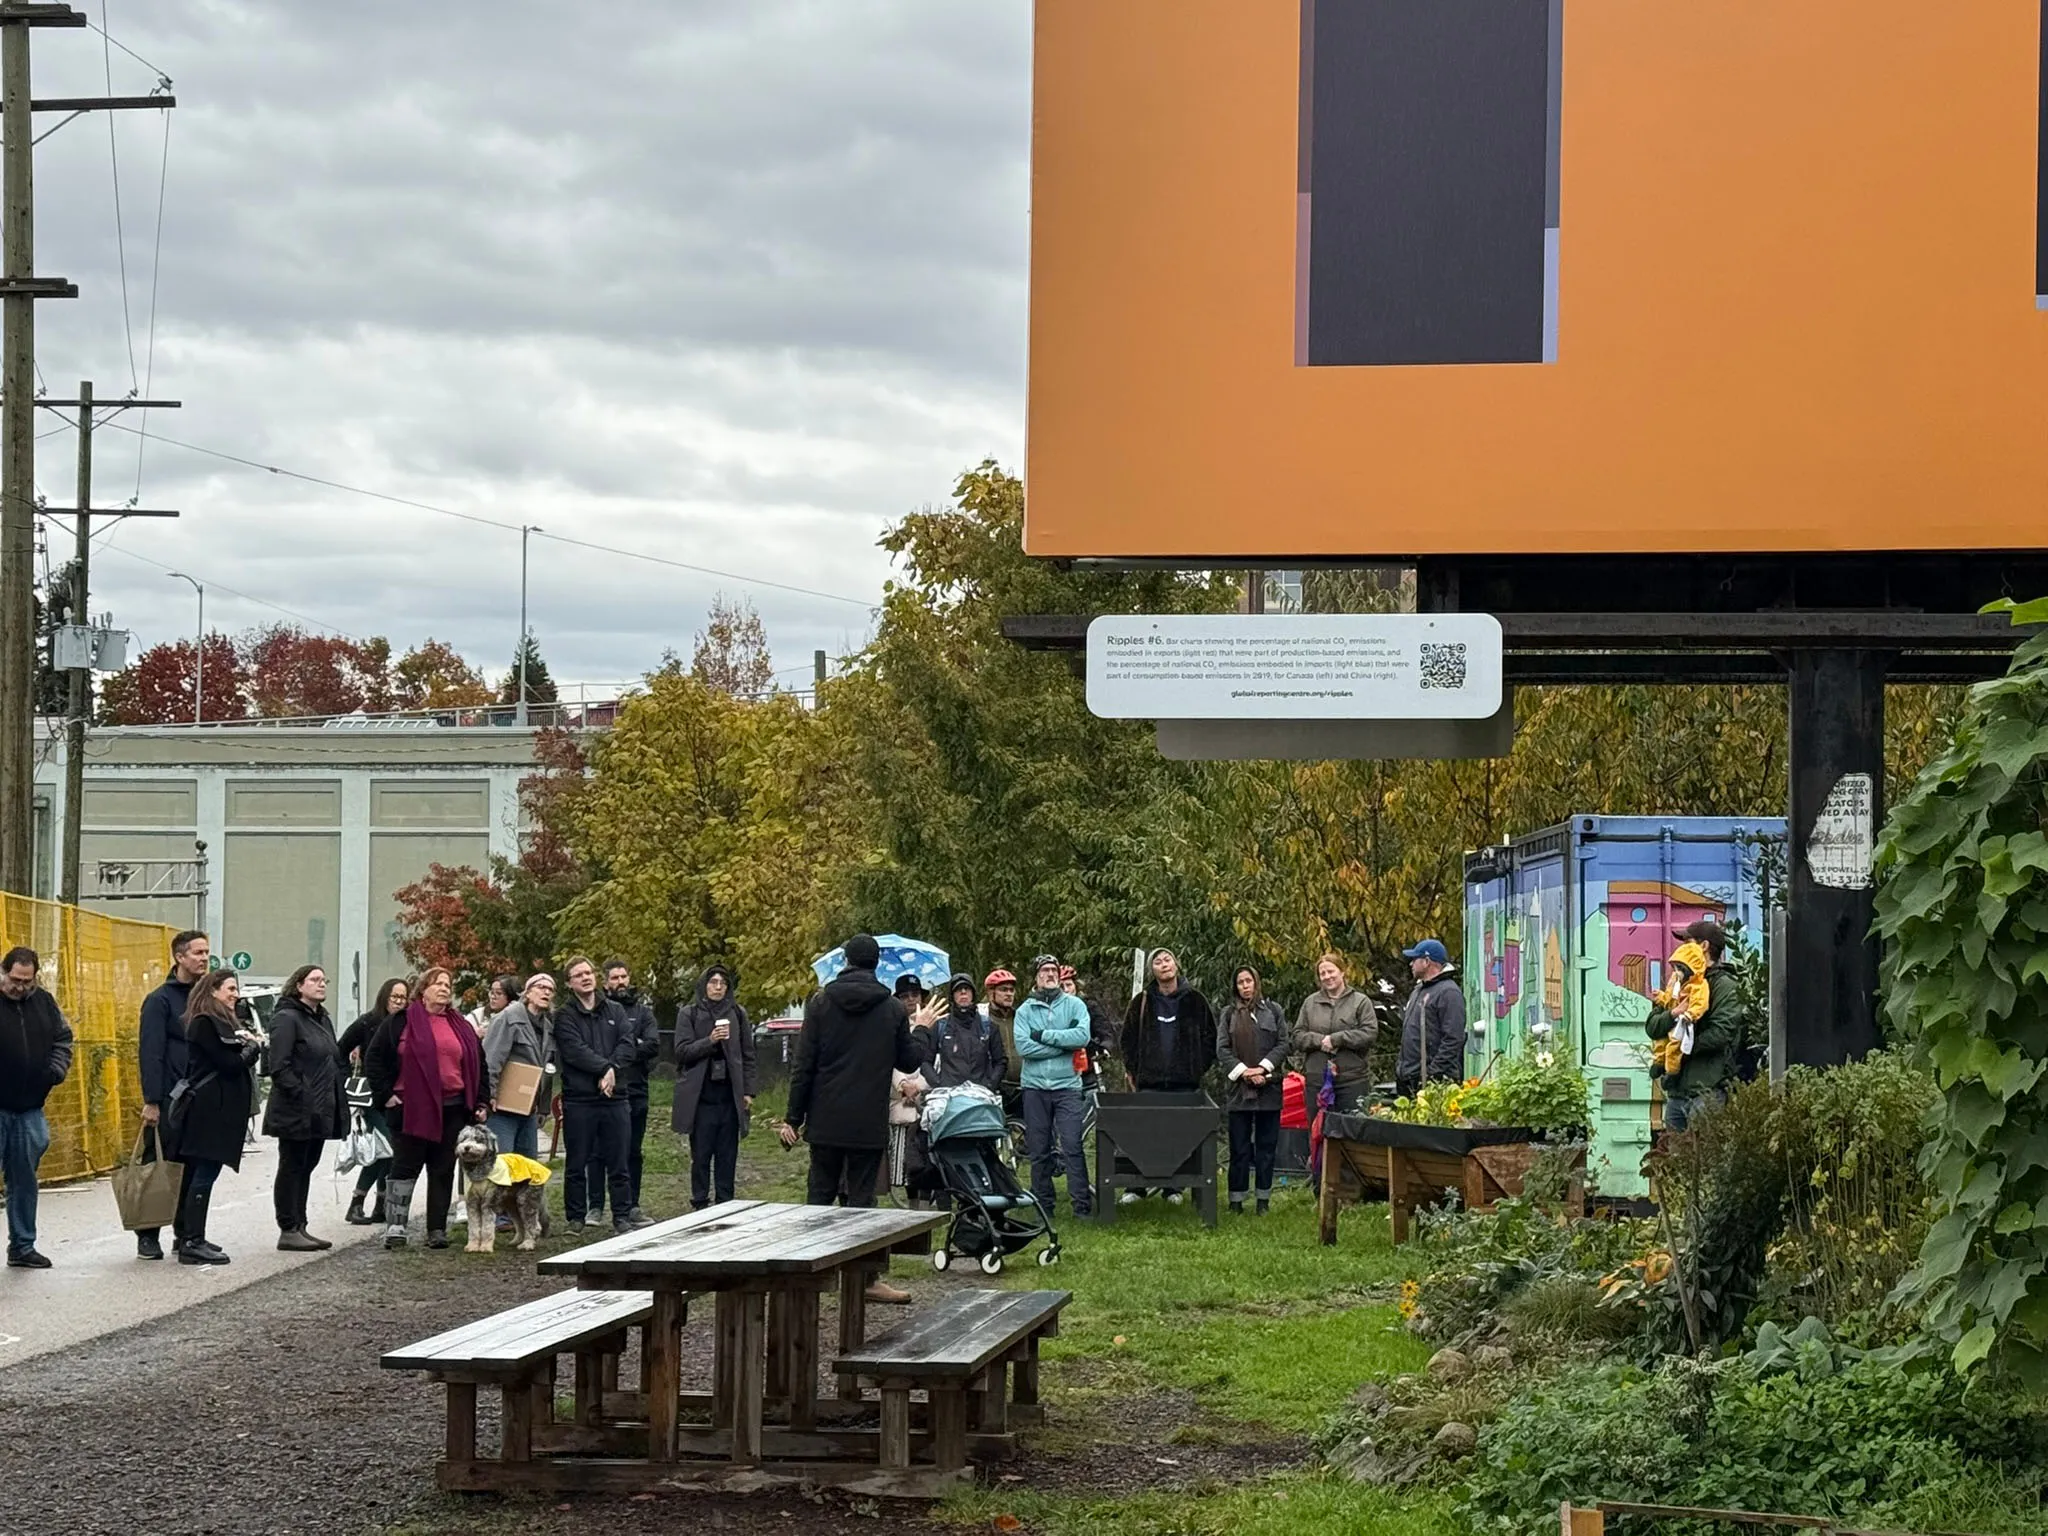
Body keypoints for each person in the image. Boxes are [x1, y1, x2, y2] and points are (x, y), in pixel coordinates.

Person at [780, 934, 923, 1304]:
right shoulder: (892, 1010)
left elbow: (804, 1065)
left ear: (846, 961)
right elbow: (909, 1062)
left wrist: (793, 1118)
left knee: (819, 1193)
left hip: (825, 1118)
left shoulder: (821, 1002)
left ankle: (807, 1274)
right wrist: (919, 1026)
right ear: (877, 964)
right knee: (862, 1202)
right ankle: (865, 1281)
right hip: (867, 1121)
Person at [381, 966, 488, 1251]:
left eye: (447, 983)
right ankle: (396, 1226)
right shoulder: (401, 1022)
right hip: (411, 1108)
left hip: (453, 1108)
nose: (444, 987)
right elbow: (375, 1060)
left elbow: (480, 1065)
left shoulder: (461, 1026)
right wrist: (386, 1096)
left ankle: (437, 1229)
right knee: (405, 1167)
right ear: (423, 990)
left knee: (443, 1169)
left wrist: (481, 1101)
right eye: (437, 983)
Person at [166, 969, 263, 1266]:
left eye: (236, 989)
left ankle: (187, 1234)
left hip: (214, 1109)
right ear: (212, 991)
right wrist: (252, 1048)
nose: (235, 994)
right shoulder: (204, 1023)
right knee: (203, 1172)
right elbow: (229, 1064)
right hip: (208, 1111)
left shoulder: (220, 1023)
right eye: (230, 989)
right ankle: (192, 1241)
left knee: (198, 1172)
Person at [556, 956, 648, 1235]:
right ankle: (576, 1217)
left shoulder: (616, 1010)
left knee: (619, 1160)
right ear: (569, 983)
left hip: (616, 1097)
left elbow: (627, 1044)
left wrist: (614, 1069)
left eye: (588, 972)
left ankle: (621, 1216)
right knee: (577, 1161)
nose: (586, 978)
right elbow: (574, 1050)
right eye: (578, 975)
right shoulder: (564, 1015)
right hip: (580, 1099)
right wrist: (605, 1067)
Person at [1119, 949, 1217, 1205]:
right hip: (1149, 1083)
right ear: (1153, 970)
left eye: (1167, 960)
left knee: (1180, 1137)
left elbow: (1210, 1038)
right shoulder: (1141, 1001)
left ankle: (1174, 1188)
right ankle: (1136, 1187)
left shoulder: (1196, 1000)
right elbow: (1127, 1039)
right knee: (1143, 1135)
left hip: (1185, 1084)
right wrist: (1134, 1071)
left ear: (1176, 965)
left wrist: (1196, 1068)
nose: (1164, 965)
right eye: (1158, 962)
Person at [134, 928, 208, 1260]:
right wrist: (152, 1100)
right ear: (179, 957)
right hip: (168, 1098)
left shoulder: (209, 997)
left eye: (206, 952)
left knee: (193, 1165)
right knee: (159, 1166)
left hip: (200, 1097)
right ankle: (147, 1234)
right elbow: (151, 1052)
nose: (204, 958)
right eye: (197, 953)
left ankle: (186, 1234)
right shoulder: (160, 1000)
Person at [262, 965, 348, 1253]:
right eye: (314, 980)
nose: (321, 984)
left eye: (324, 980)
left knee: (306, 1167)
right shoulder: (287, 1018)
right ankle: (287, 1227)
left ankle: (301, 1225)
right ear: (299, 985)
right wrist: (303, 1095)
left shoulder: (321, 1019)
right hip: (295, 1109)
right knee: (292, 1166)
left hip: (320, 1109)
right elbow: (279, 1066)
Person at [0, 948, 73, 1269]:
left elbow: (63, 1038)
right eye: (15, 980)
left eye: (27, 982)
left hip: (30, 1106)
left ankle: (23, 1245)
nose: (20, 987)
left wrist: (56, 1070)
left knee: (24, 1179)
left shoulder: (43, 1002)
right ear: (3, 972)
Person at [1013, 955, 1094, 1220]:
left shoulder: (1075, 1005)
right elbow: (1024, 1048)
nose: (1050, 974)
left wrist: (1044, 1036)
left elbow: (1082, 1037)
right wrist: (1062, 1043)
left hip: (1068, 1086)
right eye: (1045, 970)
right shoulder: (1025, 1010)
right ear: (1036, 977)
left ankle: (1082, 1206)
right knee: (1039, 1150)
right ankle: (1043, 1207)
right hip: (1034, 1088)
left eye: (1054, 970)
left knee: (1072, 1146)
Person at [1647, 920, 1746, 1132]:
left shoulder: (1725, 985)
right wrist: (1673, 1013)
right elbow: (1652, 1027)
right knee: (1676, 1160)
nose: (1681, 948)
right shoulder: (1676, 983)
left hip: (1707, 1091)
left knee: (1706, 1159)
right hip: (1676, 1093)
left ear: (1704, 947)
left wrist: (1680, 1046)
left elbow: (1722, 1033)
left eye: (1687, 941)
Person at [672, 964, 757, 1210]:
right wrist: (710, 1041)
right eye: (713, 982)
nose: (718, 987)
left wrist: (748, 1091)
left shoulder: (737, 1013)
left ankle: (725, 1203)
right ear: (704, 985)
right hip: (701, 1099)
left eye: (722, 983)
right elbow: (681, 1051)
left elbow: (748, 1055)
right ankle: (699, 1202)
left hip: (729, 1098)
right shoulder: (689, 1013)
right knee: (701, 1155)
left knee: (727, 1155)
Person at [1218, 965, 1287, 1216]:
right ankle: (1236, 1200)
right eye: (1240, 982)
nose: (1245, 986)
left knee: (1266, 1147)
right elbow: (1222, 1049)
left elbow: (1283, 1043)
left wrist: (1262, 1070)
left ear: (1256, 982)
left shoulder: (1274, 1011)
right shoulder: (1228, 1014)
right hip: (1239, 1091)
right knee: (1240, 1147)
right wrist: (1244, 1072)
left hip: (1269, 1088)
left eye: (1249, 981)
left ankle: (1263, 1200)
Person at [598, 961, 663, 1223]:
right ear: (606, 983)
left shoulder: (643, 1013)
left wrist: (621, 1052)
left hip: (636, 1090)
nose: (620, 982)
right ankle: (596, 1205)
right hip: (604, 1092)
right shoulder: (600, 1012)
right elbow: (598, 1048)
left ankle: (632, 1204)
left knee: (633, 1150)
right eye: (615, 978)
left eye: (624, 976)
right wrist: (628, 1048)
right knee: (602, 1152)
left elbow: (652, 1045)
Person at [340, 977, 409, 1225]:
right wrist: (346, 1079)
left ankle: (381, 1204)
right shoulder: (369, 1022)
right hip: (372, 1095)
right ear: (384, 997)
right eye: (395, 997)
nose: (399, 1002)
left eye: (403, 998)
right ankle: (357, 1202)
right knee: (387, 1147)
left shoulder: (407, 1024)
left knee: (390, 1152)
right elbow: (341, 1048)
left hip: (399, 1096)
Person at [1291, 953, 1380, 1114]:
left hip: (1352, 1080)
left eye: (1331, 971)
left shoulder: (1360, 1001)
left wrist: (1337, 1039)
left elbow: (1369, 1033)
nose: (1327, 977)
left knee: (1352, 1132)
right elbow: (1297, 1036)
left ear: (1342, 972)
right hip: (1317, 1080)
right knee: (1319, 1133)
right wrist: (1320, 1040)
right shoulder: (1310, 1003)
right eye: (1322, 973)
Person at [483, 973, 555, 1159]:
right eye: (541, 987)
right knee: (501, 1166)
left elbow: (547, 1069)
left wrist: (544, 1107)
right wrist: (488, 1096)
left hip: (529, 1110)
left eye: (550, 990)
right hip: (502, 1109)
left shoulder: (548, 1028)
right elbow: (490, 1060)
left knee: (526, 1170)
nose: (546, 992)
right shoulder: (507, 1018)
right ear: (528, 993)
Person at [1395, 939, 1468, 1099]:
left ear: (1427, 961)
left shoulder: (1449, 992)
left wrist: (1432, 1073)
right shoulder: (1418, 990)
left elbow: (1454, 1038)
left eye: (1415, 959)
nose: (1411, 964)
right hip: (1410, 1077)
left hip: (1434, 1082)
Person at [920, 974, 1007, 1092]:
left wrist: (990, 1085)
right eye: (958, 989)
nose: (963, 992)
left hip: (981, 1094)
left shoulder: (988, 1026)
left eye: (967, 988)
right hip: (948, 1094)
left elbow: (1001, 1061)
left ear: (973, 994)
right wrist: (938, 1083)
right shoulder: (940, 1026)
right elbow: (925, 1061)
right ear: (952, 996)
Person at [1061, 967, 1117, 1093]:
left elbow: (1104, 1029)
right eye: (1061, 986)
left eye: (1068, 985)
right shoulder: (1052, 1011)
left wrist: (1105, 1046)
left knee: (1094, 1097)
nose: (1065, 990)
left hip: (1088, 1064)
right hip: (1063, 1069)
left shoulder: (1089, 1006)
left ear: (1076, 986)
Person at [982, 968, 1022, 1113]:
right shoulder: (982, 1018)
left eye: (1011, 990)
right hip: (995, 1086)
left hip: (1021, 1086)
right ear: (991, 993)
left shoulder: (1020, 1017)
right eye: (1003, 990)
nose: (1009, 994)